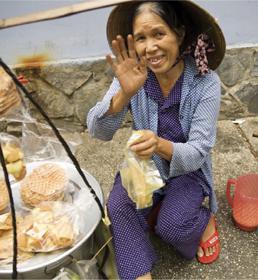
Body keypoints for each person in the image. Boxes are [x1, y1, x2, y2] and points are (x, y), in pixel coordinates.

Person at [87, 1, 226, 279]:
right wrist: (123, 95)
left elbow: (198, 151)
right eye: (141, 38)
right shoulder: (134, 74)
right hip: (145, 169)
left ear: (180, 34)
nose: (150, 47)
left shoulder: (206, 82)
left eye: (159, 34)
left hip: (187, 171)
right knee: (117, 207)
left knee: (172, 227)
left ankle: (203, 221)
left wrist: (159, 145)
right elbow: (97, 131)